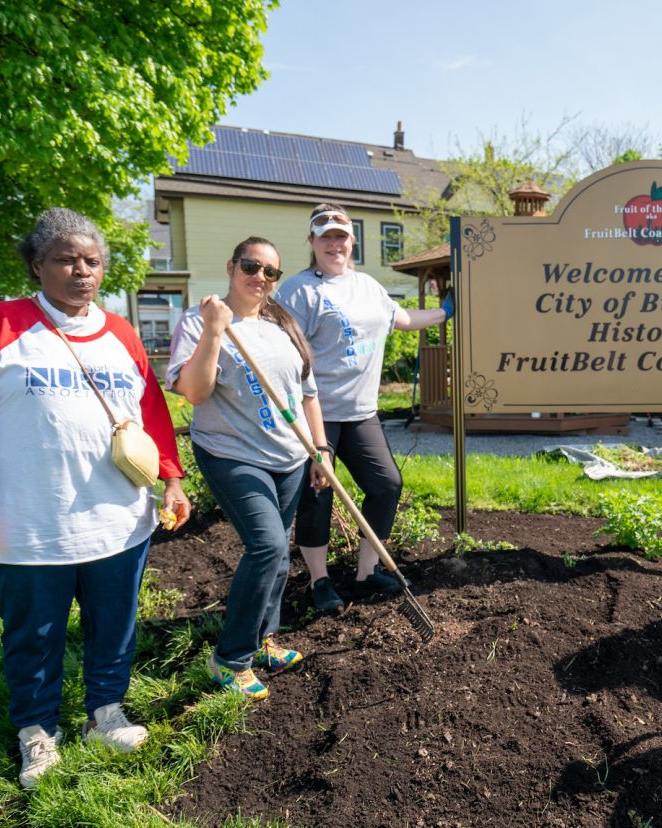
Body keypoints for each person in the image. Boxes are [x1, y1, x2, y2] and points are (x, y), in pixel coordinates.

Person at [0, 208, 191, 788]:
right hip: (27, 524)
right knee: (34, 634)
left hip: (118, 521)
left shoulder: (122, 333)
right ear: (36, 265)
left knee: (114, 623)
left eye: (92, 261)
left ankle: (105, 712)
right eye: (66, 259)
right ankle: (37, 731)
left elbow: (151, 416)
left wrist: (172, 481)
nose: (81, 271)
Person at [168, 237, 330, 700]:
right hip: (232, 453)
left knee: (278, 556)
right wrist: (215, 331)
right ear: (231, 265)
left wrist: (320, 450)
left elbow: (307, 395)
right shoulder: (200, 321)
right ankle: (230, 658)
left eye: (271, 271)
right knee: (267, 545)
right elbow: (195, 393)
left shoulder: (283, 326)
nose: (260, 277)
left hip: (290, 456)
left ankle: (263, 640)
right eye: (251, 265)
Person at [276, 204, 452, 611]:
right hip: (316, 413)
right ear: (312, 243)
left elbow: (402, 318)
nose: (334, 243)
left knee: (386, 485)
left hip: (361, 412)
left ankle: (366, 573)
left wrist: (444, 312)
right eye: (325, 236)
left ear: (352, 241)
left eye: (341, 236)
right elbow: (285, 353)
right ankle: (320, 582)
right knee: (319, 495)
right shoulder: (298, 290)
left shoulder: (368, 286)